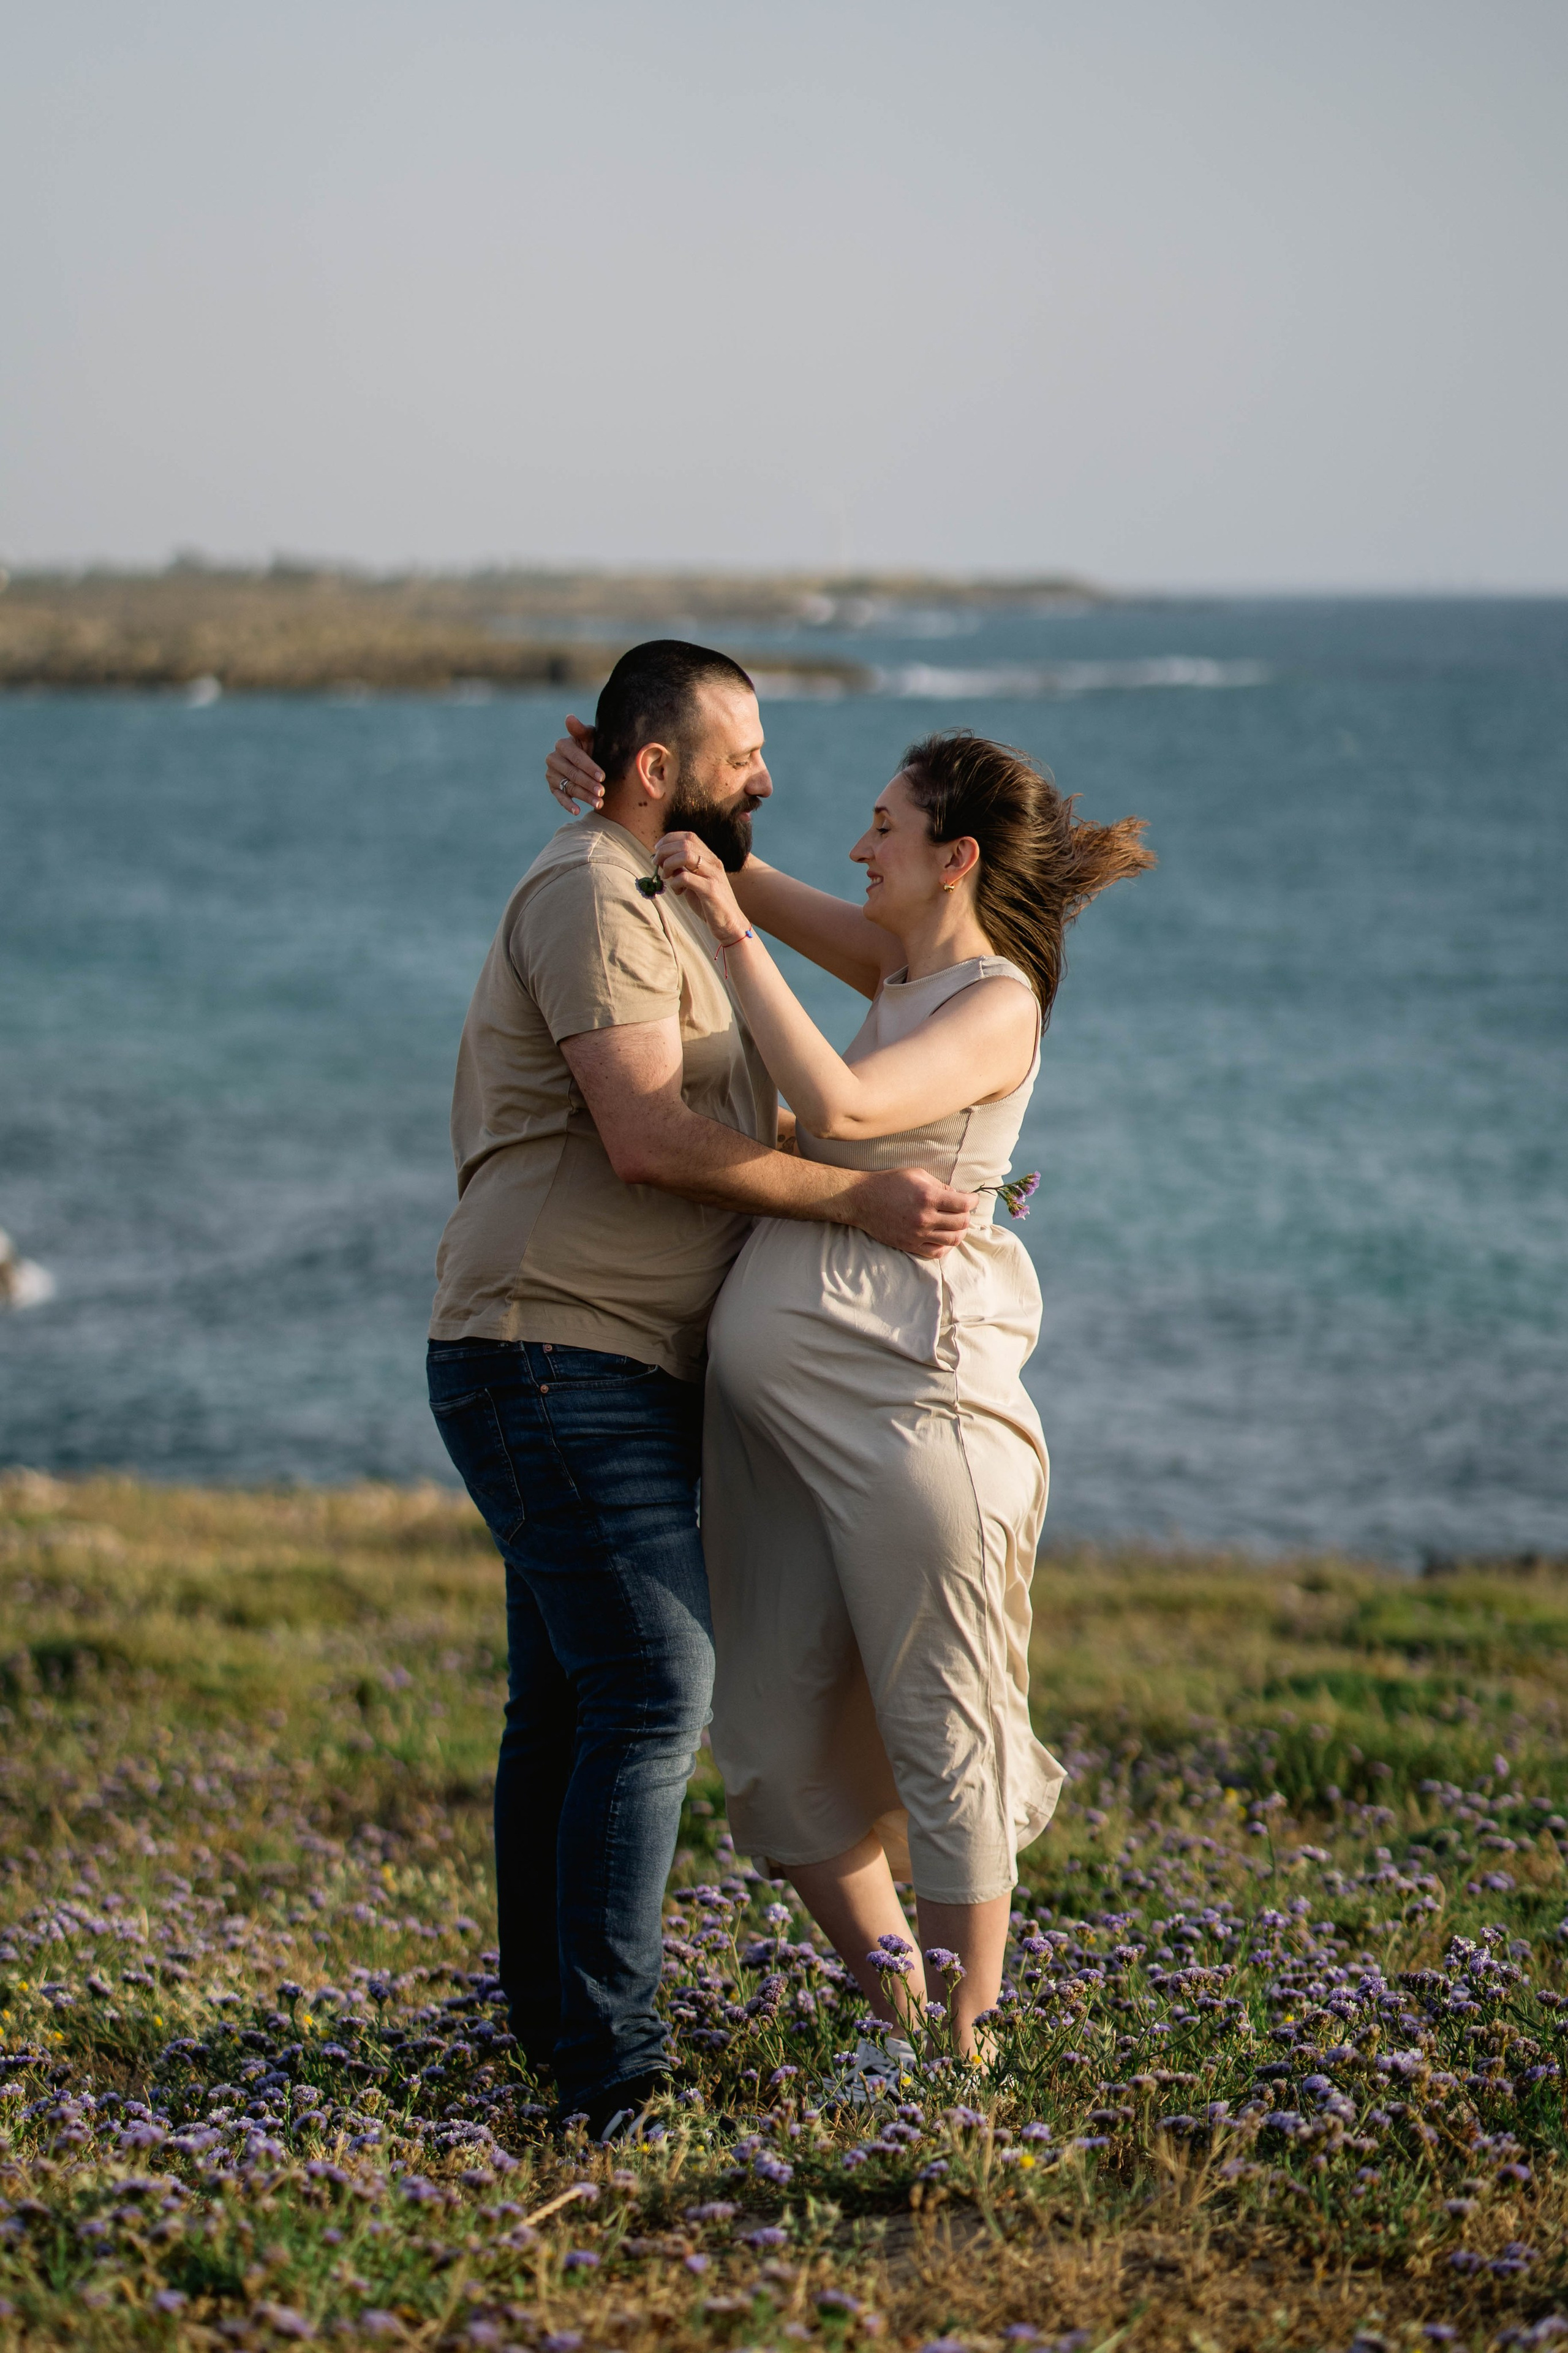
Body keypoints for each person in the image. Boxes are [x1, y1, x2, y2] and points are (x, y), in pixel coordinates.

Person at [428, 640, 974, 2139]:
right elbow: (650, 1139)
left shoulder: (664, 881)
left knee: (570, 1704)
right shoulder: (594, 893)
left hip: (604, 1356)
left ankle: (554, 2042)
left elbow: (862, 996)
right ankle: (614, 2080)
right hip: (550, 1346)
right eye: (745, 753)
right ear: (658, 769)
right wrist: (851, 1206)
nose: (770, 778)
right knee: (655, 1689)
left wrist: (686, 827)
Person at [548, 719, 1152, 2057]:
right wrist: (625, 797)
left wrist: (731, 937)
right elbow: (718, 860)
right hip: (777, 1427)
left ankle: (962, 2058)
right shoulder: (893, 960)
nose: (855, 844)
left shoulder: (995, 1003)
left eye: (881, 825)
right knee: (768, 1736)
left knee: (944, 1728)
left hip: (911, 1406)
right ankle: (898, 2015)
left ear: (955, 858)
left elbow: (840, 1100)